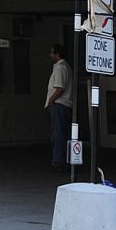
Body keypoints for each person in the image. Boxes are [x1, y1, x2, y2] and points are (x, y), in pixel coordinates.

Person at [46, 43, 74, 172]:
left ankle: (58, 162)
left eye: (52, 52)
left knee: (58, 134)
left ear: (57, 54)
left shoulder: (60, 67)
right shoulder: (65, 67)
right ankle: (65, 161)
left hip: (59, 104)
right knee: (62, 133)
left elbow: (60, 87)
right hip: (63, 105)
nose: (50, 55)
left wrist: (51, 100)